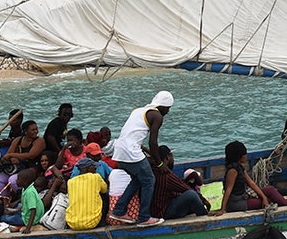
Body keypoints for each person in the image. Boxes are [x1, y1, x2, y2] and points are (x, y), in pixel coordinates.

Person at [108, 91, 173, 227]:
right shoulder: (157, 116)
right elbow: (153, 143)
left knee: (138, 179)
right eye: (168, 108)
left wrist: (151, 155)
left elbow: (133, 134)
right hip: (131, 152)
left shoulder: (139, 110)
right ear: (164, 106)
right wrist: (160, 163)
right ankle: (144, 217)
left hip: (119, 150)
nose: (168, 111)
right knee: (149, 180)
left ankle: (119, 210)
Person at [210, 141, 287, 214]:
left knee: (270, 191)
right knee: (272, 201)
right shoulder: (232, 171)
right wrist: (222, 209)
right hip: (237, 204)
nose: (246, 156)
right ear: (239, 156)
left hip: (245, 197)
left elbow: (251, 183)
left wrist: (263, 197)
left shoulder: (239, 167)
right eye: (244, 154)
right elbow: (228, 190)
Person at [149, 145, 210, 220]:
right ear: (167, 157)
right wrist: (205, 201)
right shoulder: (167, 176)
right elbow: (187, 189)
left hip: (153, 210)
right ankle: (204, 216)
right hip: (164, 212)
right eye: (172, 156)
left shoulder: (151, 170)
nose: (173, 159)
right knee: (191, 195)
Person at [0, 119, 45, 193]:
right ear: (25, 131)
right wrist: (12, 159)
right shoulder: (18, 140)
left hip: (32, 169)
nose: (36, 132)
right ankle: (5, 200)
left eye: (36, 129)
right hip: (18, 169)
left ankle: (20, 198)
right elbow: (8, 154)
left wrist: (12, 155)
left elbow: (31, 155)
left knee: (13, 180)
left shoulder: (39, 141)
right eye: (33, 130)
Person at [65, 157, 107, 230]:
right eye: (93, 166)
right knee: (104, 195)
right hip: (92, 222)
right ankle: (103, 222)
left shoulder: (70, 181)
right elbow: (105, 189)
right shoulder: (96, 177)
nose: (95, 168)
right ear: (87, 168)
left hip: (72, 223)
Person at [0, 168, 46, 233]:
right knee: (17, 207)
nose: (16, 181)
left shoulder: (29, 192)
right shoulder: (26, 189)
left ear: (25, 182)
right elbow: (25, 205)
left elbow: (33, 210)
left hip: (28, 219)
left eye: (18, 179)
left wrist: (28, 228)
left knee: (4, 218)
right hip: (26, 213)